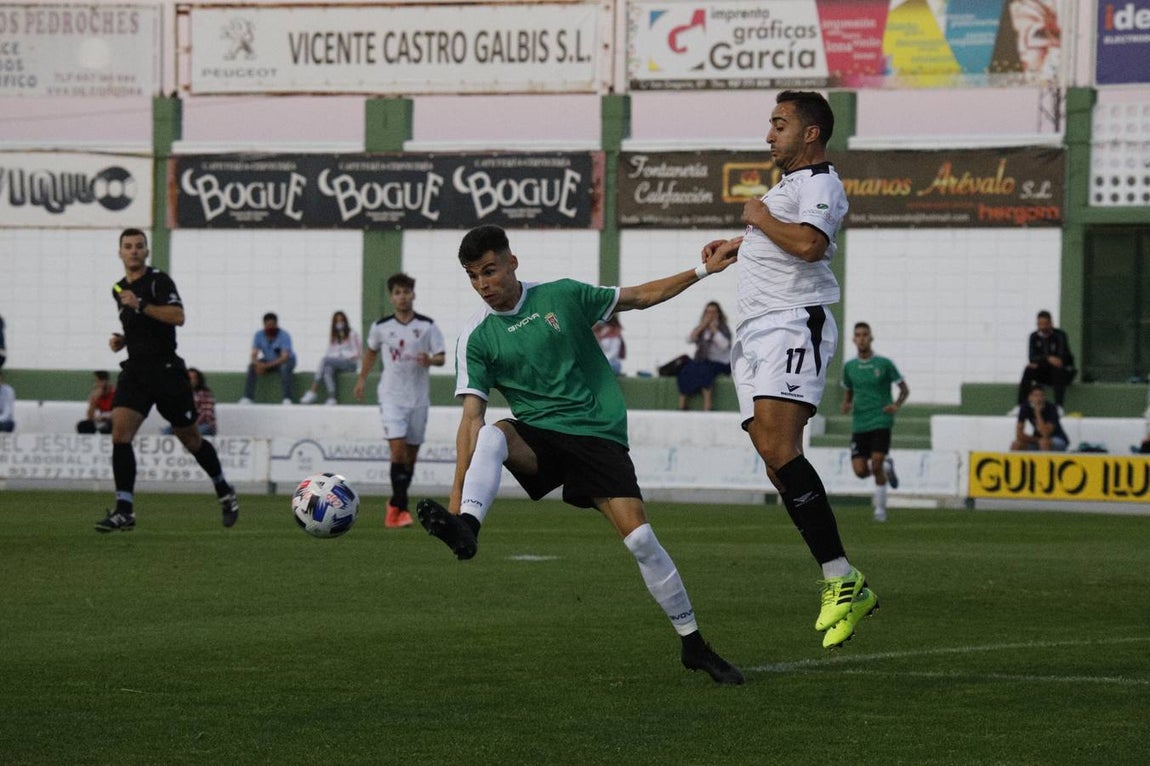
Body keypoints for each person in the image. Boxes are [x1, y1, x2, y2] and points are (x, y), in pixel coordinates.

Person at [415, 223, 745, 685]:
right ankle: (468, 527)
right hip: (539, 437)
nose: (483, 285)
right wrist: (454, 511)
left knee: (641, 541)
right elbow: (470, 421)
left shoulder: (563, 295)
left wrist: (702, 270)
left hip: (596, 434)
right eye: (473, 277)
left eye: (489, 271)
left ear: (512, 261)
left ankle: (693, 644)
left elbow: (640, 296)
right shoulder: (476, 337)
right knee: (491, 434)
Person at [701, 90, 877, 650]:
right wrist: (741, 243)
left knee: (780, 448)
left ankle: (841, 576)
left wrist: (755, 217)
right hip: (755, 331)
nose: (768, 134)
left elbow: (809, 245)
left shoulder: (822, 182)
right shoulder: (786, 188)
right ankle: (839, 577)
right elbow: (780, 237)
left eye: (779, 124)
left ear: (810, 134)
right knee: (773, 457)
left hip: (791, 325)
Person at [94, 228, 240, 532]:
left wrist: (141, 305)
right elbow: (139, 324)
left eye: (139, 246)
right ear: (119, 252)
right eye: (128, 246)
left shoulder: (159, 281)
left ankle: (224, 490)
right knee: (120, 434)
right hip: (136, 371)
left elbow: (177, 317)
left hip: (167, 370)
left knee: (190, 439)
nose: (133, 251)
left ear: (147, 252)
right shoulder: (118, 288)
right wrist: (124, 339)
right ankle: (125, 510)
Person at [354, 273, 446, 529]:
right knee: (397, 451)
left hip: (418, 399)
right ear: (391, 297)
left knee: (410, 458)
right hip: (391, 397)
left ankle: (394, 505)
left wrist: (430, 360)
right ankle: (400, 509)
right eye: (397, 293)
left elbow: (442, 357)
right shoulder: (381, 327)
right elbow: (371, 352)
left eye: (406, 292)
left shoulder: (427, 326)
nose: (402, 297)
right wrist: (362, 379)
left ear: (413, 295)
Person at [841, 322, 910, 523]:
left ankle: (880, 510)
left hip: (881, 419)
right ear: (854, 340)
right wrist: (846, 404)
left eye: (865, 334)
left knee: (876, 462)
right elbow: (848, 390)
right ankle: (888, 467)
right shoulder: (849, 367)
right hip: (860, 422)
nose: (861, 338)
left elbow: (904, 389)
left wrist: (896, 405)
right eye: (858, 335)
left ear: (871, 338)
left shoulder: (884, 364)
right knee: (861, 471)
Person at [677, 301, 732, 411]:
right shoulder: (702, 329)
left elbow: (725, 345)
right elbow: (689, 339)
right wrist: (702, 326)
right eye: (708, 312)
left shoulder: (723, 328)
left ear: (718, 314)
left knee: (705, 370)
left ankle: (708, 405)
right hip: (703, 360)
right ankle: (682, 404)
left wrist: (714, 330)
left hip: (720, 362)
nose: (710, 315)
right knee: (686, 369)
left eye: (713, 312)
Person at [300, 311, 362, 405]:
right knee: (327, 369)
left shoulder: (352, 334)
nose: (339, 323)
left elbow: (358, 353)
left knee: (324, 360)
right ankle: (331, 397)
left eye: (341, 320)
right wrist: (335, 356)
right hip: (337, 363)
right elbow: (329, 352)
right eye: (337, 321)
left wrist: (343, 355)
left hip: (350, 363)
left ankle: (313, 391)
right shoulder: (334, 337)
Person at [1018, 309, 1074, 409]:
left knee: (1057, 370)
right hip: (1044, 372)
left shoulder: (1060, 335)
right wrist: (1047, 358)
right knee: (1029, 369)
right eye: (1040, 324)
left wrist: (1043, 360)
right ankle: (1021, 405)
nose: (1042, 327)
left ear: (1051, 323)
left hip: (1061, 373)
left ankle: (1058, 406)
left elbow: (1060, 358)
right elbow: (1032, 357)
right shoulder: (1034, 336)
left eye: (1045, 324)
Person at [240, 312, 296, 404]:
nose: (270, 328)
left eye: (273, 325)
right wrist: (258, 364)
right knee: (251, 367)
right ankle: (248, 397)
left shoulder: (284, 335)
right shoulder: (258, 335)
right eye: (268, 325)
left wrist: (266, 366)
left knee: (284, 368)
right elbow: (253, 354)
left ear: (277, 325)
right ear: (264, 325)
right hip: (268, 360)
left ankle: (287, 398)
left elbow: (284, 357)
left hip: (285, 361)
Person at [1011, 385, 1068, 451]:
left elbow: (1045, 433)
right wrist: (1037, 440)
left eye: (1041, 395)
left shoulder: (1052, 408)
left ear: (1044, 397)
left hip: (1057, 439)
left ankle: (1044, 461)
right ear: (1030, 397)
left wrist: (1037, 413)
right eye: (1036, 396)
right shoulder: (1025, 407)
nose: (1039, 399)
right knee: (1016, 445)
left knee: (1044, 443)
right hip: (1038, 439)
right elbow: (1019, 434)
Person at [162, 368, 217, 436]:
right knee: (166, 431)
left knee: (194, 433)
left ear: (198, 380)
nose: (190, 380)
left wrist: (190, 426)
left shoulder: (205, 394)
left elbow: (206, 415)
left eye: (193, 378)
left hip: (204, 425)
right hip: (186, 425)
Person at [76, 370, 115, 434]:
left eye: (97, 381)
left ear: (104, 382)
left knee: (107, 427)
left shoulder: (116, 393)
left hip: (113, 420)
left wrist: (107, 417)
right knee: (83, 426)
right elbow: (90, 417)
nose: (95, 384)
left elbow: (119, 412)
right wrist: (94, 400)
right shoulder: (96, 395)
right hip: (101, 420)